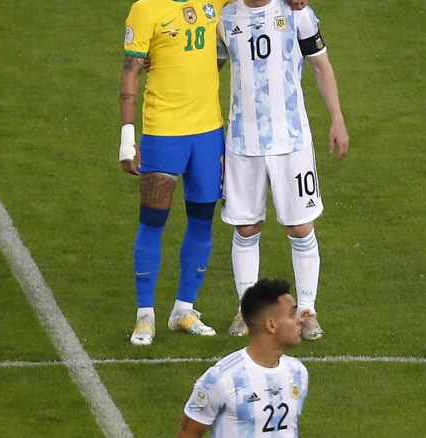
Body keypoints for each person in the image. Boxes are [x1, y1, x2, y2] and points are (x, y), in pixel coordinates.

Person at [120, 0, 310, 346]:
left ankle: (183, 310)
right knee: (152, 221)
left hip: (208, 133)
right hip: (162, 129)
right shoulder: (145, 8)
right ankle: (144, 315)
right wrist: (126, 136)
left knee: (201, 220)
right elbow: (131, 68)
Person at [216, 0, 349, 341]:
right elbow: (207, 67)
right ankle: (247, 310)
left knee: (301, 226)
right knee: (247, 227)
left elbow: (321, 66)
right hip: (242, 140)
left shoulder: (296, 12)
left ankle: (306, 310)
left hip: (291, 139)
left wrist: (337, 118)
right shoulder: (225, 16)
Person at [177, 278, 308, 437]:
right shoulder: (222, 378)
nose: (300, 320)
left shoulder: (297, 372)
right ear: (271, 325)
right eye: (292, 314)